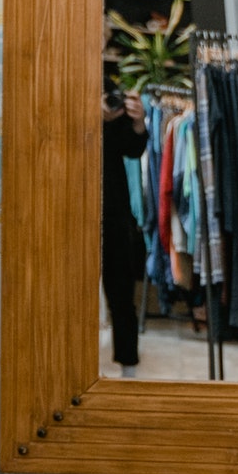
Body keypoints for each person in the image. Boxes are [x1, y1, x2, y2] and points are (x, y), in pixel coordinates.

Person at [101, 90, 149, 376]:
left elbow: (132, 149)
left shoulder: (109, 90)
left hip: (114, 209)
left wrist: (138, 122)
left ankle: (128, 365)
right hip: (72, 207)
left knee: (121, 290)